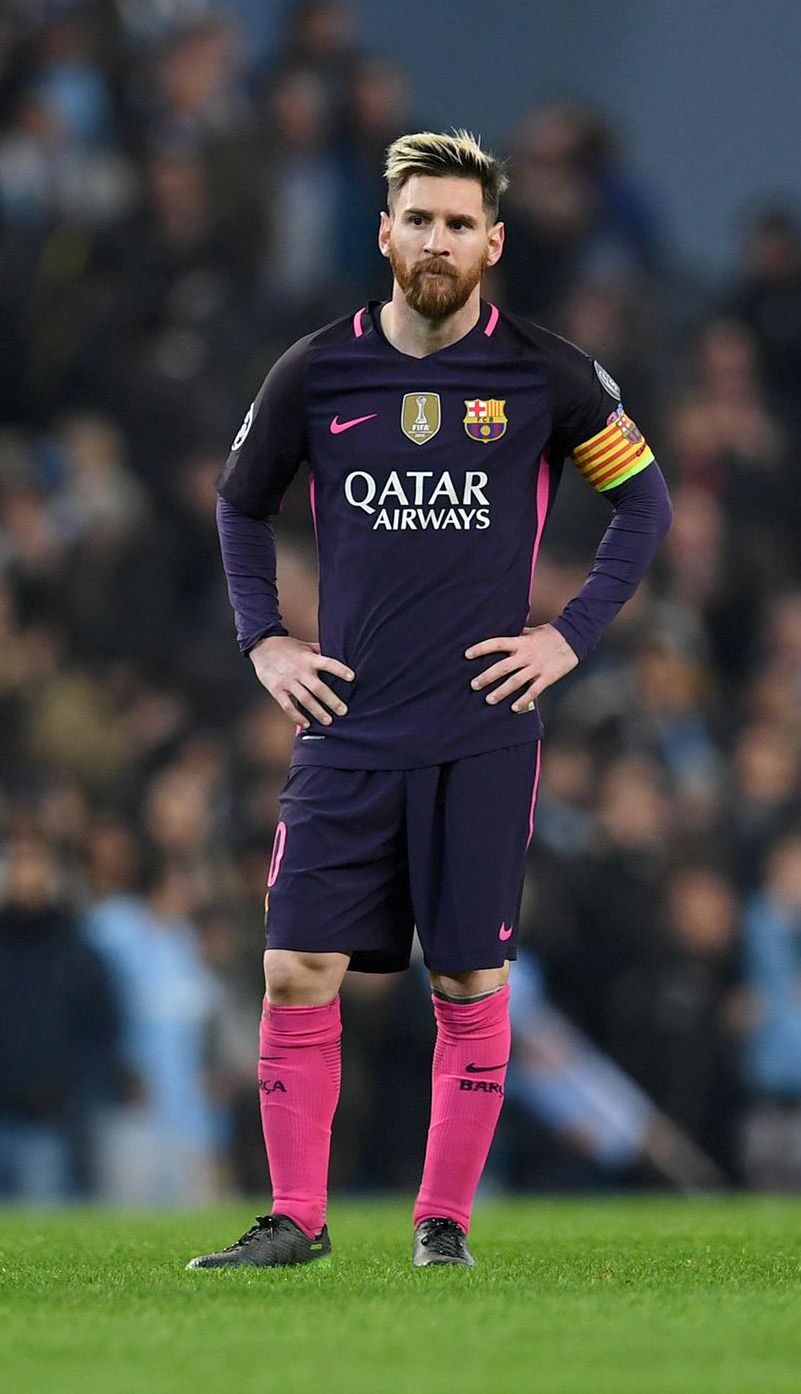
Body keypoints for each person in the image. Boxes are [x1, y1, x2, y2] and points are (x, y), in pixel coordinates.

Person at [193, 130, 672, 1269]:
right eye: (420, 219)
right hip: (347, 726)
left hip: (480, 732)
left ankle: (441, 1224)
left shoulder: (547, 372)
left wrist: (566, 639)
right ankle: (296, 1220)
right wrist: (263, 642)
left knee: (469, 979)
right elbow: (238, 505)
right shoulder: (316, 370)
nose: (439, 240)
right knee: (292, 970)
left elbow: (644, 506)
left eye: (460, 223)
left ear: (493, 242)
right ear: (385, 232)